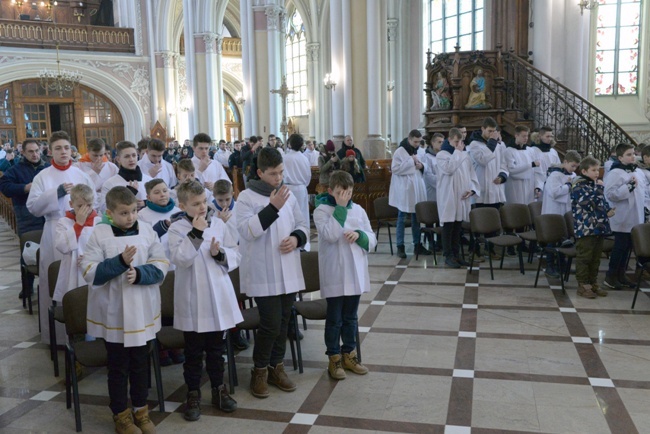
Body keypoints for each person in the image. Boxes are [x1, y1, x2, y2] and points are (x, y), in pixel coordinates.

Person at [82, 186, 168, 434]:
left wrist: (141, 273)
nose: (130, 217)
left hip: (141, 309)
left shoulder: (147, 231)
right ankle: (121, 416)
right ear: (109, 212)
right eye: (123, 213)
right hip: (115, 313)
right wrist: (120, 262)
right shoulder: (99, 234)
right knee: (118, 367)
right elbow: (89, 271)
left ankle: (141, 411)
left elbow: (161, 262)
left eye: (132, 211)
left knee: (141, 364)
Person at [235, 147, 308, 398]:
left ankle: (277, 367)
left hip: (287, 267)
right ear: (259, 172)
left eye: (281, 173)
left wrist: (297, 239)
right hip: (262, 271)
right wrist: (273, 207)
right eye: (273, 173)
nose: (278, 178)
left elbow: (301, 223)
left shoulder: (287, 194)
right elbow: (246, 231)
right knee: (270, 324)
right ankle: (259, 372)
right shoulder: (246, 197)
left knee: (285, 321)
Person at [167, 180, 241, 421]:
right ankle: (193, 393)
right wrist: (197, 233)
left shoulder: (218, 223)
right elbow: (181, 259)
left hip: (217, 296)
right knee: (193, 351)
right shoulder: (177, 229)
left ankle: (219, 390)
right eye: (195, 204)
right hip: (192, 298)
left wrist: (220, 254)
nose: (201, 208)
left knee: (216, 350)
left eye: (203, 202)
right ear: (182, 205)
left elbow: (235, 252)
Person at [26, 131, 94, 343]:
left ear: (71, 150)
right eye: (58, 148)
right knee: (56, 280)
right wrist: (56, 194)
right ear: (50, 152)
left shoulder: (81, 174)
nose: (63, 152)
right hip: (54, 228)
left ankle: (88, 334)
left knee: (84, 277)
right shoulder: (42, 177)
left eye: (66, 147)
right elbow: (33, 207)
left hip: (83, 233)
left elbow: (95, 202)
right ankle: (57, 337)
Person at [313, 170, 376, 379]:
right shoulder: (321, 211)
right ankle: (334, 358)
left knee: (350, 317)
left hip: (355, 271)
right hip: (335, 272)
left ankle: (349, 354)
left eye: (348, 192)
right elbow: (330, 235)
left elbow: (372, 238)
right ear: (331, 191)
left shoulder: (358, 210)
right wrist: (339, 209)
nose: (345, 197)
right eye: (341, 193)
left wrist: (360, 235)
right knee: (335, 318)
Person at [0, 139, 48, 299]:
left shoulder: (47, 167)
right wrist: (25, 187)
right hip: (26, 215)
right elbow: (5, 187)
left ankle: (49, 284)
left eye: (36, 151)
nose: (35, 154)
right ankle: (27, 287)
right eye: (30, 152)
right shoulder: (16, 170)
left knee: (50, 249)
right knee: (28, 250)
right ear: (23, 153)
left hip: (47, 215)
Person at [603, 143, 646, 289]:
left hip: (635, 216)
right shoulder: (615, 173)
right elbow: (610, 194)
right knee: (619, 247)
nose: (633, 156)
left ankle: (621, 275)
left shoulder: (637, 171)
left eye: (633, 153)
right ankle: (611, 276)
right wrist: (628, 187)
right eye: (628, 154)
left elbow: (642, 193)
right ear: (620, 157)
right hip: (623, 217)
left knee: (627, 248)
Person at [571, 156, 614, 298]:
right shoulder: (578, 185)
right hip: (586, 227)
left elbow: (601, 202)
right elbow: (588, 204)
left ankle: (593, 283)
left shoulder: (594, 185)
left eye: (598, 169)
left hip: (598, 226)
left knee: (595, 258)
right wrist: (600, 188)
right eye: (594, 170)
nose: (597, 173)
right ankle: (583, 285)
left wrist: (607, 211)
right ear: (583, 171)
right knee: (585, 257)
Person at [437, 128, 479, 268]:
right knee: (448, 226)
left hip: (461, 196)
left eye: (461, 141)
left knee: (458, 226)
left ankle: (456, 254)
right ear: (449, 140)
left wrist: (472, 190)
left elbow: (472, 174)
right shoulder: (442, 155)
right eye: (456, 141)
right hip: (448, 195)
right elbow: (449, 169)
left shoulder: (464, 155)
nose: (459, 144)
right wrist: (458, 152)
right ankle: (448, 255)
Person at [53, 184, 99, 303]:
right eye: (80, 206)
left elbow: (106, 248)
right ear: (71, 204)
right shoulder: (64, 222)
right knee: (76, 305)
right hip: (72, 269)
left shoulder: (99, 222)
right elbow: (62, 246)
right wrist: (78, 224)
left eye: (88, 206)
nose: (85, 210)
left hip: (95, 270)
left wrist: (92, 258)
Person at [389, 130, 430, 259]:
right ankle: (400, 246)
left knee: (416, 217)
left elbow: (426, 165)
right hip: (404, 190)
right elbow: (395, 169)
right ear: (409, 139)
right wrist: (411, 162)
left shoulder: (420, 150)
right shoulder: (400, 151)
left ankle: (417, 244)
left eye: (419, 142)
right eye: (415, 142)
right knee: (401, 218)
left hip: (416, 188)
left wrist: (421, 165)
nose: (417, 144)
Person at [101, 141, 152, 213]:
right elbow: (104, 209)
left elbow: (161, 201)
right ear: (118, 159)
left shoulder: (149, 180)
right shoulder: (110, 184)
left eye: (134, 155)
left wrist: (146, 203)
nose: (131, 159)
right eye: (127, 156)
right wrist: (126, 196)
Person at [283, 134, 312, 251]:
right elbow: (307, 176)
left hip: (287, 188)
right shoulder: (304, 158)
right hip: (300, 188)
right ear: (301, 145)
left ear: (290, 144)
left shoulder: (285, 157)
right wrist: (303, 185)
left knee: (289, 215)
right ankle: (303, 242)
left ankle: (289, 239)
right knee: (302, 215)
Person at [504, 125, 536, 205]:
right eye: (523, 136)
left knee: (529, 208)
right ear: (516, 135)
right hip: (515, 185)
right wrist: (530, 165)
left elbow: (534, 170)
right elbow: (512, 170)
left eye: (527, 136)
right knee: (516, 208)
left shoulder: (530, 150)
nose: (526, 138)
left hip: (529, 184)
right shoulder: (509, 151)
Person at [541, 150, 580, 216]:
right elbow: (554, 192)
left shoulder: (573, 175)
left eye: (576, 167)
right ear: (565, 162)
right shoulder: (554, 175)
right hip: (554, 208)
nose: (574, 169)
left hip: (567, 207)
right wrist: (569, 185)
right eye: (572, 166)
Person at [529, 126, 561, 197]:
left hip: (552, 183)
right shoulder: (533, 150)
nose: (550, 139)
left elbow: (558, 167)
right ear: (540, 136)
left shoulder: (553, 152)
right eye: (547, 136)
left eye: (551, 136)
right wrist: (537, 186)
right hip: (538, 185)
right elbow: (534, 171)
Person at [422, 133, 443, 202]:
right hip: (432, 191)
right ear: (433, 143)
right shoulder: (427, 157)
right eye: (439, 142)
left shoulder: (443, 156)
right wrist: (444, 181)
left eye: (443, 142)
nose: (441, 144)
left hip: (443, 191)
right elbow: (429, 176)